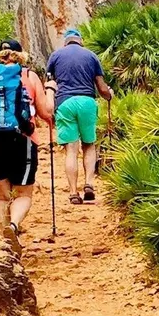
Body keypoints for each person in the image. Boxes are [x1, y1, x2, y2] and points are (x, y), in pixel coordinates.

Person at [0, 39, 52, 242]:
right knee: (23, 194)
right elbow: (46, 113)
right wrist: (51, 91)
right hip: (23, 141)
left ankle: (3, 242)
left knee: (1, 196)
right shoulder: (29, 76)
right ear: (21, 56)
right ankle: (13, 225)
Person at [45, 26, 113, 204]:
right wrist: (109, 95)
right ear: (80, 40)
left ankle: (73, 193)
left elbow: (50, 83)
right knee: (89, 145)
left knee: (71, 150)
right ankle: (89, 183)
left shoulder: (55, 56)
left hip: (65, 102)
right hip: (87, 102)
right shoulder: (91, 56)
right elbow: (101, 87)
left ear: (66, 41)